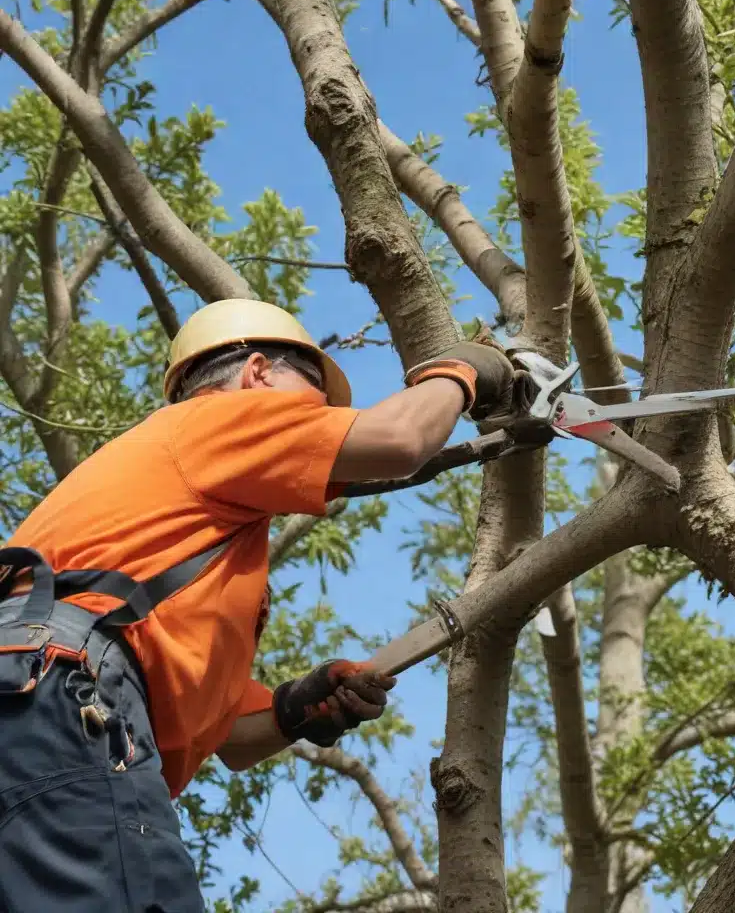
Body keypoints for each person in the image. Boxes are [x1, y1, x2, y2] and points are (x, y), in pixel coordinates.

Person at [0, 298, 517, 913]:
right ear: (257, 373)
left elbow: (232, 742)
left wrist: (299, 708)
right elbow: (402, 438)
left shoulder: (188, 539)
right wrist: (463, 370)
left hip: (35, 706)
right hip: (63, 693)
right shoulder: (216, 420)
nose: (324, 422)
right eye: (315, 403)